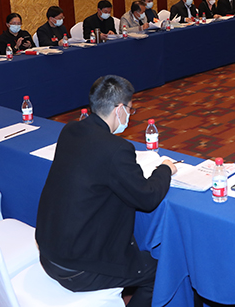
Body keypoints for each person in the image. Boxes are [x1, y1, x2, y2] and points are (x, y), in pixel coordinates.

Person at [36, 75, 176, 307]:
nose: (130, 115)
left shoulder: (70, 130)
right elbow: (148, 197)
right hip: (79, 268)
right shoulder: (117, 149)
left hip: (49, 251)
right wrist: (165, 169)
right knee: (162, 273)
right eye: (130, 109)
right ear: (119, 109)